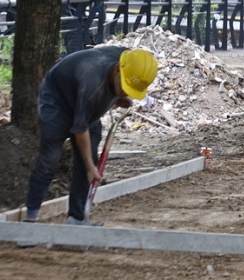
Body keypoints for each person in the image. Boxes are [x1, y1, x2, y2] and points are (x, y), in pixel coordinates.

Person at [23, 47, 158, 226]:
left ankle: (76, 218)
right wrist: (90, 167)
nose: (126, 93)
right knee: (50, 160)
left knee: (89, 157)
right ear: (117, 69)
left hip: (84, 102)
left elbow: (87, 117)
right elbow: (80, 129)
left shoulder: (132, 62)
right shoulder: (92, 83)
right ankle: (29, 221)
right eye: (125, 87)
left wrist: (116, 96)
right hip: (57, 101)